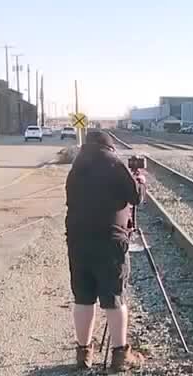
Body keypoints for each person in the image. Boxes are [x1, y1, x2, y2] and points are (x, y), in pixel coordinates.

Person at [65, 129, 146, 371]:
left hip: (78, 241)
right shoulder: (114, 163)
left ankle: (83, 354)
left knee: (83, 297)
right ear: (109, 146)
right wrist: (140, 179)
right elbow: (136, 198)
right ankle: (120, 357)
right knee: (113, 298)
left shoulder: (76, 167)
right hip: (110, 241)